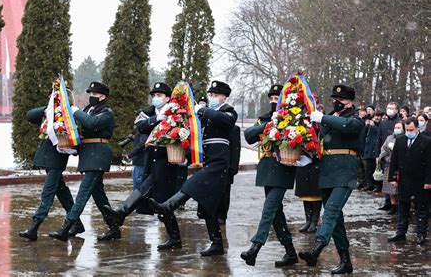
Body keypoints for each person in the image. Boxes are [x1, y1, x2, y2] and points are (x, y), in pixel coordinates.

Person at [149, 80, 237, 257]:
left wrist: (203, 110)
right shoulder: (207, 115)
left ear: (225, 97)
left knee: (192, 185)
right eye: (211, 95)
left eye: (216, 95)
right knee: (207, 205)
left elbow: (226, 121)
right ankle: (216, 243)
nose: (212, 98)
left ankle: (168, 205)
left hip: (219, 163)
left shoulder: (228, 111)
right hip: (208, 160)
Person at [104, 82, 184, 250]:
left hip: (167, 160)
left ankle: (122, 213)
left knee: (162, 203)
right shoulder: (149, 113)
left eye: (160, 95)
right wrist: (156, 119)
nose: (156, 98)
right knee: (150, 194)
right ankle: (122, 213)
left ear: (168, 98)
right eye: (154, 95)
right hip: (152, 160)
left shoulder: (176, 111)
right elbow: (140, 127)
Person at [299, 84, 365, 275]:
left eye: (341, 100)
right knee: (336, 219)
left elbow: (349, 128)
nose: (336, 102)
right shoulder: (331, 118)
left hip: (345, 170)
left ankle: (317, 248)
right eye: (335, 99)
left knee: (331, 211)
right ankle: (346, 261)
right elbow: (321, 142)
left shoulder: (355, 118)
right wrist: (308, 156)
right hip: (327, 170)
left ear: (350, 102)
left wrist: (323, 118)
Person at [49, 81, 118, 241]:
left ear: (103, 96)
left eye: (95, 94)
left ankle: (67, 227)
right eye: (90, 94)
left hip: (98, 154)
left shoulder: (107, 112)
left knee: (83, 192)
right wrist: (72, 145)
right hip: (88, 154)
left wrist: (74, 110)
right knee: (99, 196)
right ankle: (114, 228)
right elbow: (82, 130)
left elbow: (91, 123)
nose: (92, 97)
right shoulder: (89, 110)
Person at [240, 84, 299, 267]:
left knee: (269, 208)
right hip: (267, 167)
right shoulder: (265, 118)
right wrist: (269, 123)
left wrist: (282, 122)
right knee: (276, 213)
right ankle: (290, 253)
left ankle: (255, 248)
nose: (274, 101)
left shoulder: (293, 119)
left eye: (277, 98)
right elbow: (249, 136)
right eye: (272, 99)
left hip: (283, 167)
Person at [19, 100, 82, 241]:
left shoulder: (67, 116)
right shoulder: (49, 112)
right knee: (62, 191)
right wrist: (47, 108)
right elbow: (30, 116)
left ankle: (34, 226)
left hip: (57, 159)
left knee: (48, 192)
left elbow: (72, 137)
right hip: (47, 157)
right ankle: (77, 223)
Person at [387, 117, 431, 245]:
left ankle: (421, 234)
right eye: (407, 130)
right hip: (404, 181)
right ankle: (401, 232)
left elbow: (429, 163)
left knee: (421, 209)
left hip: (420, 181)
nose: (409, 132)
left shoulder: (426, 142)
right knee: (403, 208)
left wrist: (428, 181)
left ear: (417, 128)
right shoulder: (400, 140)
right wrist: (393, 178)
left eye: (411, 129)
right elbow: (394, 160)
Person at [295, 92, 322, 234]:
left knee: (315, 191)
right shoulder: (301, 117)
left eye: (314, 101)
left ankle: (315, 221)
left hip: (316, 158)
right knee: (305, 191)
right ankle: (307, 220)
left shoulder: (320, 117)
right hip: (303, 157)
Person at [376, 102, 401, 211]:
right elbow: (379, 138)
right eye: (388, 108)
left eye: (392, 108)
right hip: (385, 152)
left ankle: (396, 205)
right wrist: (378, 154)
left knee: (393, 181)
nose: (389, 110)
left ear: (397, 110)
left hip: (396, 154)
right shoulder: (383, 123)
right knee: (386, 180)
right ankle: (388, 203)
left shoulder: (400, 122)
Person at [378, 121, 405, 215]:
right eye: (395, 127)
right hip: (389, 165)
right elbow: (383, 149)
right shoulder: (390, 138)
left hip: (401, 166)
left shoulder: (405, 138)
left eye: (399, 127)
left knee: (399, 188)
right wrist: (386, 157)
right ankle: (393, 206)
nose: (396, 129)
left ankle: (401, 207)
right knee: (390, 188)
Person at [363, 113, 382, 191]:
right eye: (375, 116)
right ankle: (369, 184)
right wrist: (366, 126)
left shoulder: (380, 125)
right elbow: (363, 134)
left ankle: (377, 185)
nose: (377, 118)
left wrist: (373, 126)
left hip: (376, 150)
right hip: (369, 150)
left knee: (377, 170)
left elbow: (378, 133)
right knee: (368, 170)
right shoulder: (369, 126)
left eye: (378, 116)